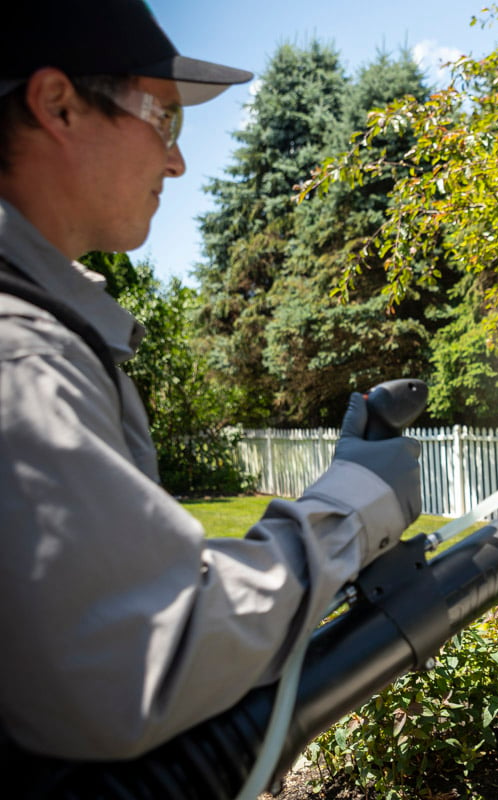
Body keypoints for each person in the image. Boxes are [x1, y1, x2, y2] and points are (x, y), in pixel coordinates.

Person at [0, 0, 423, 763]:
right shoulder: (22, 360)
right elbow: (138, 656)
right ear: (57, 104)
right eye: (166, 121)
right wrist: (351, 509)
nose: (177, 163)